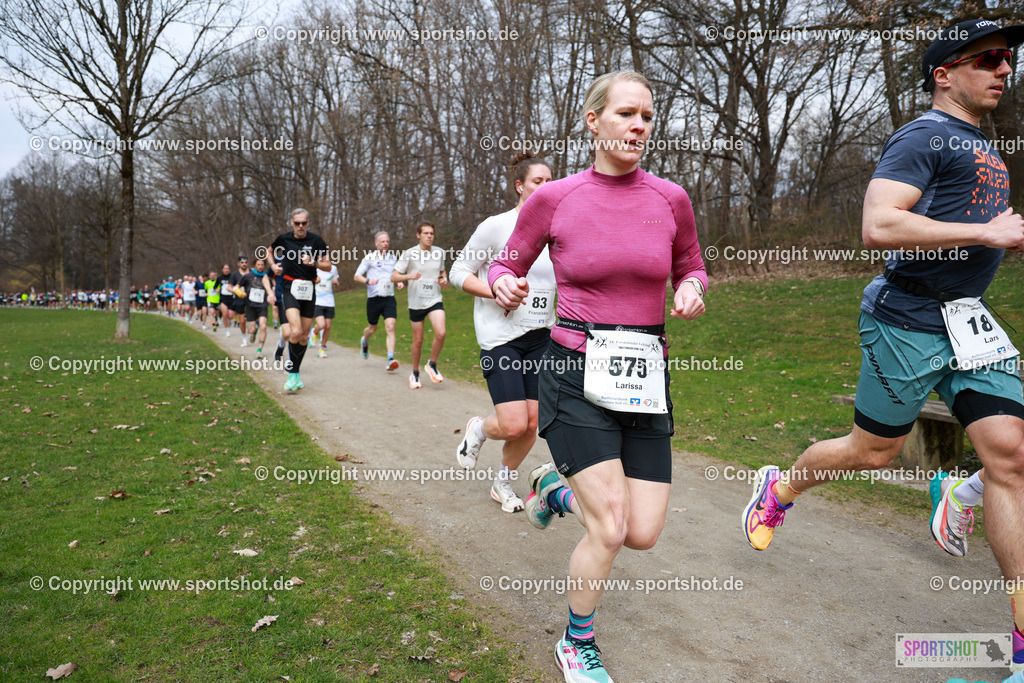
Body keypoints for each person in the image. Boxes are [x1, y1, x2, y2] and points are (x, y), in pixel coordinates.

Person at [740, 19, 1024, 676]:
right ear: (943, 74)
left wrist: (994, 238)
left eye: (1008, 58)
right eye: (986, 58)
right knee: (875, 448)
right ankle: (780, 489)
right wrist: (985, 232)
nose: (1003, 69)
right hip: (908, 320)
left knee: (1011, 454)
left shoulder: (984, 147)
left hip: (967, 321)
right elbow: (880, 223)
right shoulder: (923, 135)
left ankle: (1017, 649)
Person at [488, 71, 707, 683]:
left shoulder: (671, 199)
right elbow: (509, 262)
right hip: (573, 368)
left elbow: (691, 264)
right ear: (594, 121)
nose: (639, 126)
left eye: (647, 116)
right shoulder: (555, 198)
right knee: (608, 525)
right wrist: (507, 281)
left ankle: (553, 492)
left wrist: (691, 287)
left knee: (641, 533)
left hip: (645, 375)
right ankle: (576, 643)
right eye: (627, 114)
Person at [451, 152, 556, 513]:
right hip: (500, 339)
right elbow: (458, 272)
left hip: (541, 337)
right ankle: (479, 429)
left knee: (533, 425)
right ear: (520, 186)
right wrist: (495, 290)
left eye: (550, 181)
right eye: (537, 181)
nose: (545, 187)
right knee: (513, 424)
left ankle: (502, 483)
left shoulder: (556, 232)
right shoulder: (496, 226)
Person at [269, 208, 329, 391]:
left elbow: (328, 265)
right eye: (297, 223)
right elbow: (269, 250)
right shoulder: (284, 239)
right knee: (295, 331)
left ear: (308, 223)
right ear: (291, 223)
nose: (301, 226)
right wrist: (273, 266)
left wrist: (315, 263)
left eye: (304, 223)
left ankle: (295, 373)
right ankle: (293, 373)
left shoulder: (316, 240)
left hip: (309, 290)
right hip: (289, 289)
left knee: (303, 335)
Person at [392, 222, 448, 388]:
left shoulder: (439, 252)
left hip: (434, 299)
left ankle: (431, 363)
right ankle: (415, 372)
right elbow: (394, 277)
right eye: (426, 233)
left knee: (441, 332)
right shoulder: (409, 254)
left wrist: (443, 279)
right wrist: (409, 276)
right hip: (416, 302)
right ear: (418, 235)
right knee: (418, 340)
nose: (429, 236)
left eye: (432, 233)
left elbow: (442, 272)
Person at [354, 231, 403, 371]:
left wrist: (399, 283)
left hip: (389, 298)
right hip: (374, 299)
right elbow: (357, 276)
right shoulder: (369, 258)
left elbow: (396, 275)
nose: (385, 244)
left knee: (391, 327)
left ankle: (390, 359)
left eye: (387, 241)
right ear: (376, 243)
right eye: (382, 241)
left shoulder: (393, 258)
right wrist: (368, 281)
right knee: (372, 328)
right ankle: (365, 341)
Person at [242, 257, 273, 354]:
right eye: (258, 264)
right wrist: (239, 292)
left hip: (262, 305)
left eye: (262, 265)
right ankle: (254, 331)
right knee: (251, 330)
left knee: (263, 326)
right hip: (250, 306)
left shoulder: (267, 278)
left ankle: (259, 350)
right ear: (255, 265)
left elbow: (271, 289)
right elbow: (237, 286)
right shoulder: (248, 276)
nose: (260, 266)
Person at [311, 255, 340, 358]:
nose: (327, 261)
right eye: (324, 259)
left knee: (327, 326)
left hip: (329, 301)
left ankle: (321, 348)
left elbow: (336, 282)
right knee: (321, 325)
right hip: (317, 300)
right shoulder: (315, 268)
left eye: (328, 259)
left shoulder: (333, 269)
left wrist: (335, 283)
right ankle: (314, 331)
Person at [215, 264, 234, 336]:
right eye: (225, 269)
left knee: (230, 316)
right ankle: (227, 331)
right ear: (222, 270)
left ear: (229, 270)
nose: (226, 270)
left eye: (228, 268)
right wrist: (217, 289)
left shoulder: (233, 277)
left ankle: (228, 320)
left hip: (232, 298)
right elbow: (215, 287)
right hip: (223, 298)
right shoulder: (220, 278)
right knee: (224, 313)